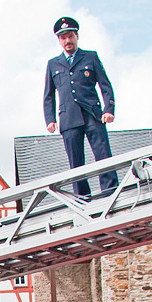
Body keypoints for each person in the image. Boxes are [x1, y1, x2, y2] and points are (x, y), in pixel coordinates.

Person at [42, 16, 119, 197]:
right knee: (76, 163)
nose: (67, 41)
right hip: (69, 118)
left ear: (77, 36)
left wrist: (109, 109)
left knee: (103, 155)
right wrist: (50, 119)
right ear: (59, 41)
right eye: (63, 37)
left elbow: (105, 85)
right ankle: (82, 198)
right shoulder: (53, 64)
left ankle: (110, 192)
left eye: (70, 36)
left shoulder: (90, 57)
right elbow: (48, 95)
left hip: (92, 114)